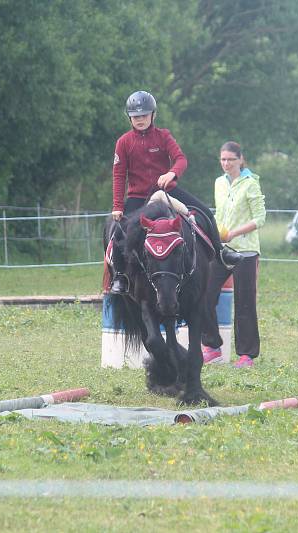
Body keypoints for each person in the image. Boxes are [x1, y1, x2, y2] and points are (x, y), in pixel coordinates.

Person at [108, 90, 242, 294]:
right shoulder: (123, 142)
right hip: (138, 196)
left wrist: (171, 173)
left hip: (168, 191)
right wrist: (118, 205)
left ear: (153, 115)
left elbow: (181, 159)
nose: (140, 120)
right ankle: (120, 276)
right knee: (119, 230)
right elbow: (118, 175)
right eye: (135, 117)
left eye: (144, 115)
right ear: (129, 118)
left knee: (204, 211)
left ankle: (221, 252)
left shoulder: (164, 136)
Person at [201, 141, 266, 368]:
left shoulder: (250, 184)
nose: (226, 164)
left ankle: (246, 355)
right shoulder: (219, 183)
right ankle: (212, 347)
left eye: (230, 159)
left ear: (240, 160)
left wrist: (234, 233)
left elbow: (260, 218)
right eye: (223, 159)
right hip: (221, 250)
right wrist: (213, 237)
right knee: (204, 294)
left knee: (244, 303)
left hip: (246, 251)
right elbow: (219, 214)